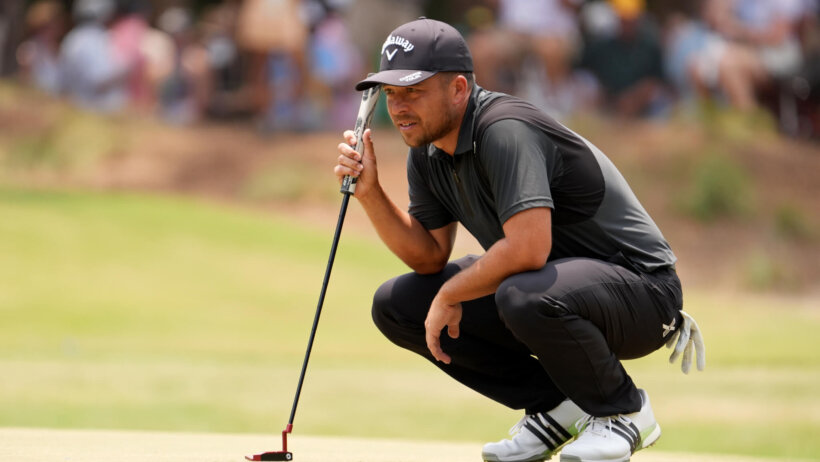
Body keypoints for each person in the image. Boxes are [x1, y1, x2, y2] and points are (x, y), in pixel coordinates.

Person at [335, 17, 705, 462]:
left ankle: (624, 409)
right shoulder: (427, 151)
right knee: (398, 305)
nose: (398, 108)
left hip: (643, 291)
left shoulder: (504, 129)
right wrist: (371, 193)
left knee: (519, 293)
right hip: (554, 287)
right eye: (392, 94)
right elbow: (429, 256)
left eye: (413, 91)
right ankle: (557, 406)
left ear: (458, 89)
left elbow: (530, 249)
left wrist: (453, 293)